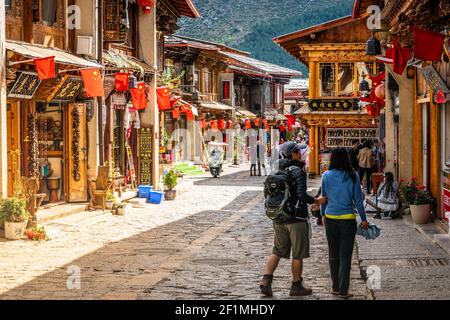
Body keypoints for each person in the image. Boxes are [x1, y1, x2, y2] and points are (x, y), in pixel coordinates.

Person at [260, 142, 327, 297]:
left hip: (278, 217)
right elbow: (302, 196)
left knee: (277, 250)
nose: (300, 154)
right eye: (298, 151)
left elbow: (267, 194)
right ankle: (296, 285)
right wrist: (317, 201)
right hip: (296, 218)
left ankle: (266, 280)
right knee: (298, 254)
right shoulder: (297, 170)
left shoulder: (276, 169)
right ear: (293, 154)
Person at [321, 148, 369, 299]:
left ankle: (335, 287)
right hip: (347, 220)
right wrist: (364, 219)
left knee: (333, 255)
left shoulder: (326, 175)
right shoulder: (353, 176)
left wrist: (323, 214)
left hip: (330, 218)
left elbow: (324, 198)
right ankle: (343, 291)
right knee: (345, 256)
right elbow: (358, 201)